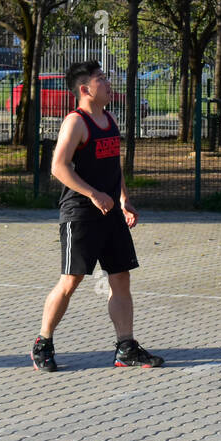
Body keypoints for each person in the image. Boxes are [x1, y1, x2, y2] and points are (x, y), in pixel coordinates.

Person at [30, 61, 163, 371]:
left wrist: (124, 199)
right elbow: (58, 167)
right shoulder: (75, 122)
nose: (108, 82)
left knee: (121, 277)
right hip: (80, 214)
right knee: (70, 280)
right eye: (101, 79)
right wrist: (92, 194)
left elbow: (114, 166)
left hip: (111, 213)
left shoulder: (110, 119)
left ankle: (126, 348)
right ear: (85, 89)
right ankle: (43, 343)